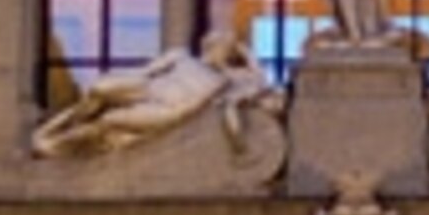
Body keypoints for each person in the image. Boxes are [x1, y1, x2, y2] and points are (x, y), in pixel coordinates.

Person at [31, 29, 281, 157]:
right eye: (225, 42)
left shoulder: (225, 80)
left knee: (109, 121)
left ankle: (54, 144)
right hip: (148, 88)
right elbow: (148, 71)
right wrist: (125, 83)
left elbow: (260, 83)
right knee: (98, 90)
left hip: (167, 111)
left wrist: (249, 56)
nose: (225, 47)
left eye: (230, 46)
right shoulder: (182, 56)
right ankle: (55, 128)